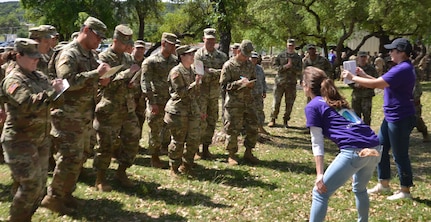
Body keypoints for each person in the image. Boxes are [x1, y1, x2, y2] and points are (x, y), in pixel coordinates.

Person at [42, 16, 110, 214]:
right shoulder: (69, 53)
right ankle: (53, 198)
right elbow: (65, 83)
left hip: (82, 115)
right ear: (86, 30)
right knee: (68, 158)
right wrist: (95, 75)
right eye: (97, 36)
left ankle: (66, 193)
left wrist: (102, 79)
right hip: (67, 116)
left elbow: (89, 81)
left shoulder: (89, 54)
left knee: (78, 157)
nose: (99, 41)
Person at [303, 66, 381, 222]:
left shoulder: (313, 106)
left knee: (320, 193)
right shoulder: (337, 101)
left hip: (354, 151)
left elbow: (317, 142)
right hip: (375, 147)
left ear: (307, 86)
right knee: (360, 189)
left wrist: (320, 174)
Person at [343, 38, 416, 200]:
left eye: (393, 50)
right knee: (381, 150)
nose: (390, 53)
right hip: (392, 116)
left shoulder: (402, 69)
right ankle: (383, 184)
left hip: (400, 117)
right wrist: (363, 74)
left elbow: (377, 83)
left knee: (400, 154)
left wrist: (353, 78)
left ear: (402, 53)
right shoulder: (401, 68)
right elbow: (382, 83)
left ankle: (405, 190)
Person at [0, 38, 63, 222]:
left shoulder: (38, 76)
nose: (37, 60)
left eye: (38, 56)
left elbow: (51, 96)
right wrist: (53, 91)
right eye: (32, 57)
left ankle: (25, 217)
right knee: (30, 185)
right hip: (20, 140)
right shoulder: (13, 80)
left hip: (41, 139)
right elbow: (27, 103)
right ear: (19, 56)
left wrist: (58, 90)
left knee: (40, 186)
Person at [93, 25, 141, 191]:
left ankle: (121, 171)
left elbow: (130, 82)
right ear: (115, 41)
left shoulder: (128, 58)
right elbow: (104, 83)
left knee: (133, 139)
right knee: (106, 144)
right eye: (123, 43)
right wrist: (127, 74)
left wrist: (133, 82)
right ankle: (100, 178)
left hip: (127, 107)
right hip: (109, 107)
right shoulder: (103, 57)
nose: (127, 47)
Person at [141, 32, 178, 168]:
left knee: (167, 128)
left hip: (169, 101)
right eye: (171, 44)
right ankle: (154, 157)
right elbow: (145, 82)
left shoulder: (174, 61)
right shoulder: (151, 61)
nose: (174, 47)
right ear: (163, 44)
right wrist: (151, 102)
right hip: (156, 101)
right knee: (155, 130)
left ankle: (165, 152)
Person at [220, 40, 260, 165]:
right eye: (244, 55)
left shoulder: (250, 65)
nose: (246, 58)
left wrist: (250, 83)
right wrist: (238, 84)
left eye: (248, 55)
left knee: (253, 127)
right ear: (238, 51)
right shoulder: (229, 65)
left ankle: (248, 152)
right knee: (232, 129)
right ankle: (231, 155)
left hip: (248, 101)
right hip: (234, 103)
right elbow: (223, 85)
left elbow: (254, 78)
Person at [164, 45, 201, 176]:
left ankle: (186, 165)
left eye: (193, 54)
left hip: (191, 110)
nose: (192, 56)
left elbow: (195, 94)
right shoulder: (176, 72)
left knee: (194, 139)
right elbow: (181, 93)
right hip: (178, 111)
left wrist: (197, 85)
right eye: (189, 54)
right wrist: (194, 84)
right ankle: (174, 167)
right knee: (178, 140)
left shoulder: (191, 70)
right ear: (182, 56)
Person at [194, 28, 228, 159]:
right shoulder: (198, 55)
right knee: (199, 120)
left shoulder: (222, 56)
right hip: (200, 94)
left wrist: (210, 71)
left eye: (212, 40)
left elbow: (224, 74)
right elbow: (199, 73)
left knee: (212, 120)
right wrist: (214, 72)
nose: (210, 42)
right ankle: (196, 148)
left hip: (214, 94)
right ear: (203, 40)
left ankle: (206, 148)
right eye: (208, 40)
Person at [268, 39, 302, 128]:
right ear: (287, 46)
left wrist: (292, 67)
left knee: (289, 103)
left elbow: (300, 70)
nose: (290, 47)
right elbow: (275, 67)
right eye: (289, 45)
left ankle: (286, 120)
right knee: (276, 102)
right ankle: (273, 119)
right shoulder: (280, 55)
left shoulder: (298, 57)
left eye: (292, 45)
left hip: (291, 84)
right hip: (280, 83)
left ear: (294, 46)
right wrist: (285, 67)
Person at [349, 51, 378, 125]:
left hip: (367, 95)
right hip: (356, 95)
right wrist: (356, 85)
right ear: (358, 58)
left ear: (367, 58)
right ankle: (357, 132)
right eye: (361, 57)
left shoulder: (371, 68)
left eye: (364, 57)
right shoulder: (354, 69)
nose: (363, 59)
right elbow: (349, 81)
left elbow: (376, 80)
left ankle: (367, 132)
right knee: (355, 115)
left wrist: (365, 85)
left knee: (367, 115)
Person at [250, 51, 268, 135]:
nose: (253, 60)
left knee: (259, 110)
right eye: (252, 58)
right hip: (249, 93)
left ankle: (260, 127)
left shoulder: (260, 68)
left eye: (255, 58)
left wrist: (264, 90)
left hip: (258, 93)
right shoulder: (246, 67)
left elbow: (263, 80)